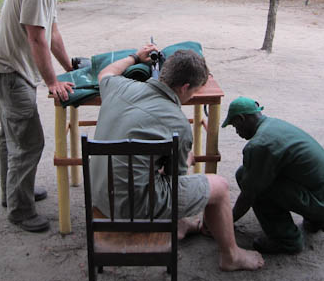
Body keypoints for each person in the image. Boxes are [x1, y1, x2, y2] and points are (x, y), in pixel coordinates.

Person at [91, 46, 264, 271]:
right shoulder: (178, 124)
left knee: (154, 171)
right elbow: (176, 179)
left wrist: (135, 57)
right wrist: (186, 159)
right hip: (131, 209)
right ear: (184, 87)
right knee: (219, 187)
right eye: (194, 92)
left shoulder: (119, 86)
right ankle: (231, 256)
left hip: (101, 196)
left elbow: (105, 72)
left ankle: (181, 225)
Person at [0, 0, 78, 232]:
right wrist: (52, 82)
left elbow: (53, 35)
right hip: (11, 75)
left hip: (8, 72)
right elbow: (36, 38)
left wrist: (70, 69)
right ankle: (20, 211)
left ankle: (13, 194)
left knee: (11, 138)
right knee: (29, 142)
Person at [222, 97, 324, 254]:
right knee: (251, 174)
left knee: (253, 183)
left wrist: (227, 221)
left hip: (320, 202)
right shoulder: (275, 125)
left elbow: (249, 193)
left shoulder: (260, 144)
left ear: (241, 118)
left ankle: (286, 240)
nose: (237, 131)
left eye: (235, 126)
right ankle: (321, 220)